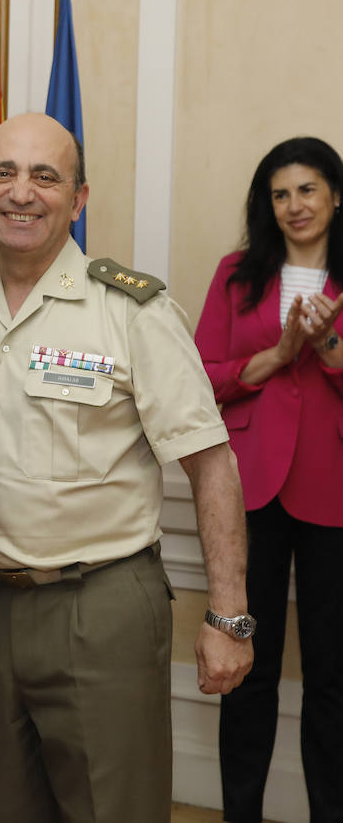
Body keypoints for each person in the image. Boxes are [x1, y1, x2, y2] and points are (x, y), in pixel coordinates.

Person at [0, 113, 254, 822]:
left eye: (46, 176)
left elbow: (211, 462)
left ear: (80, 198)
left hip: (99, 605)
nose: (22, 192)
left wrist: (229, 615)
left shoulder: (133, 310)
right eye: (4, 173)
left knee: (115, 810)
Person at [195, 137, 343, 823]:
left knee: (332, 677)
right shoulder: (236, 273)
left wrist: (329, 349)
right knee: (244, 670)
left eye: (307, 190)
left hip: (333, 489)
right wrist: (279, 353)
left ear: (336, 195)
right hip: (248, 489)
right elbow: (205, 378)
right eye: (280, 193)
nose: (294, 206)